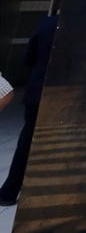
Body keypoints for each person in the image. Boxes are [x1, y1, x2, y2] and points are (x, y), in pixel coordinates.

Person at [0, 11, 58, 207]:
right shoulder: (82, 28)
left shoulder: (47, 25)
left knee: (26, 144)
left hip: (37, 92)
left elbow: (28, 59)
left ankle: (8, 192)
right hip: (63, 94)